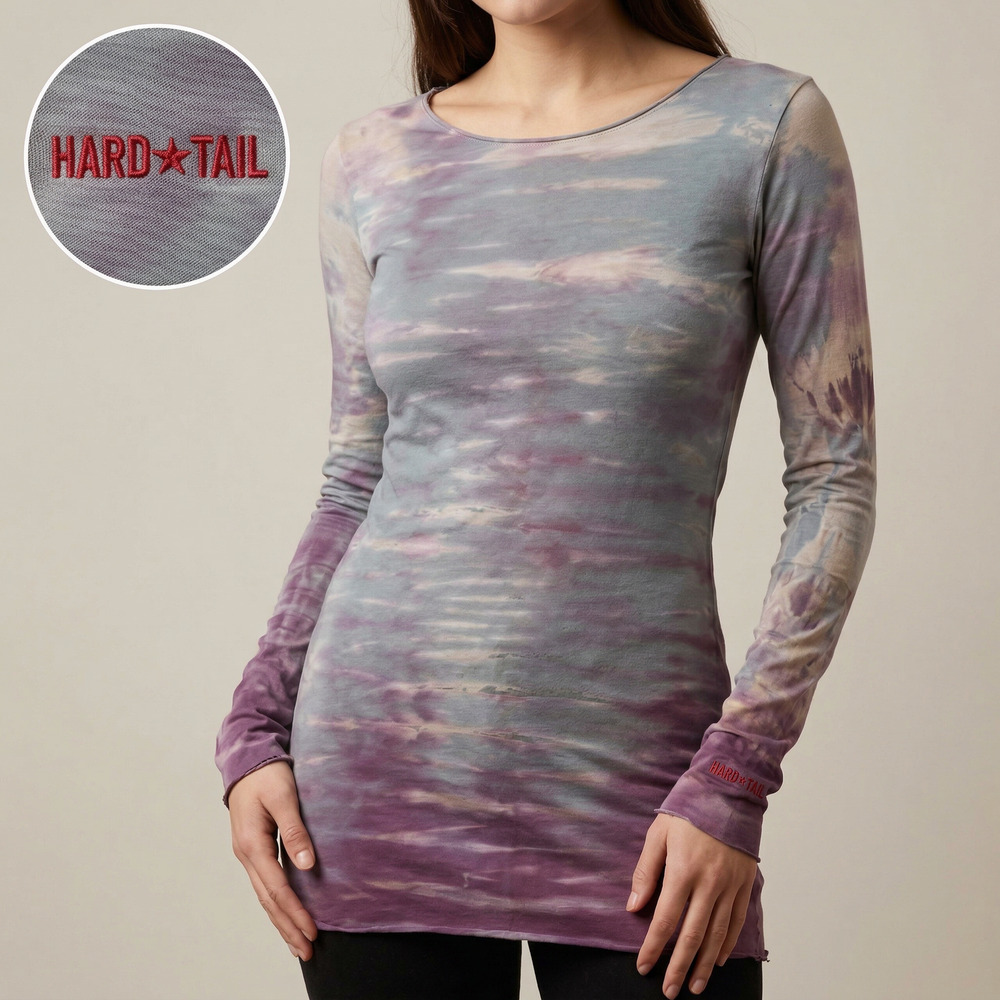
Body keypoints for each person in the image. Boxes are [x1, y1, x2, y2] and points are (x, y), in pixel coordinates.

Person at [215, 1, 877, 997]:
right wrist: (253, 727)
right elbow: (356, 476)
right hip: (377, 783)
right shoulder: (371, 160)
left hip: (650, 797)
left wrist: (736, 773)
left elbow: (834, 474)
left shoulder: (765, 127)